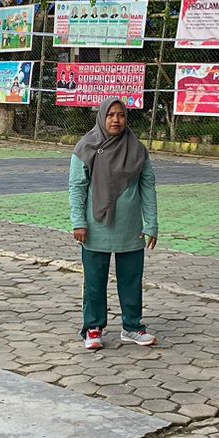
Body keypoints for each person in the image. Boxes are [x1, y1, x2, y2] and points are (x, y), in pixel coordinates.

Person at [70, 100, 158, 351]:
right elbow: (77, 187)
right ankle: (93, 327)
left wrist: (151, 224)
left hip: (130, 227)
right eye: (110, 115)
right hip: (95, 227)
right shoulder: (86, 147)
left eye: (121, 115)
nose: (116, 120)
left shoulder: (137, 149)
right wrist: (79, 222)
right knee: (94, 280)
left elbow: (148, 186)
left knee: (131, 279)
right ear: (102, 117)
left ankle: (132, 326)